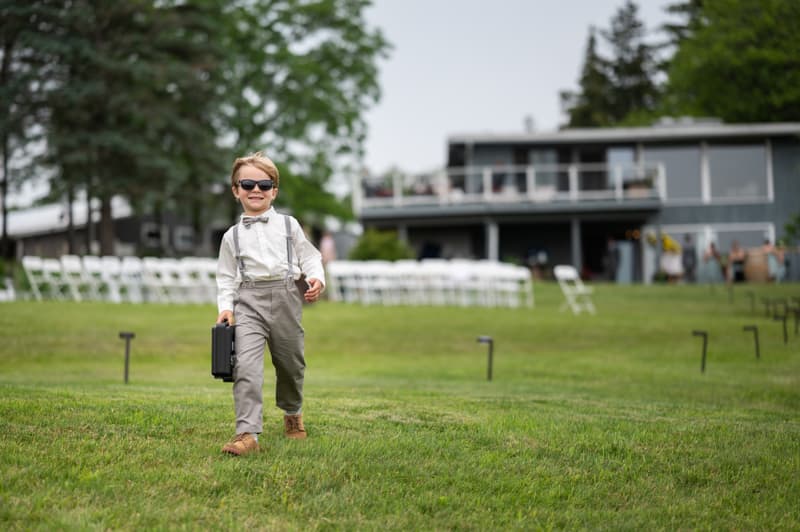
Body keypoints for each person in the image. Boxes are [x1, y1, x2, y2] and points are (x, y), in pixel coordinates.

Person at [215, 152, 325, 456]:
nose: (256, 190)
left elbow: (310, 257)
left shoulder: (289, 226)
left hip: (287, 296)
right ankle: (247, 434)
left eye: (264, 184)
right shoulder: (231, 237)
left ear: (274, 191)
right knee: (246, 366)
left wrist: (316, 278)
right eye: (247, 183)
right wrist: (225, 307)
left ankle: (292, 412)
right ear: (236, 190)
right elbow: (225, 277)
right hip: (248, 301)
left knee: (290, 364)